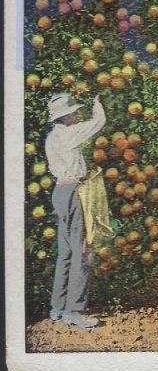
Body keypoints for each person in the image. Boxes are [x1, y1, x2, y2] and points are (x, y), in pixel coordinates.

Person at [44, 93, 106, 329]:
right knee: (83, 250)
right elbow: (98, 123)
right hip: (73, 193)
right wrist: (97, 104)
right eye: (75, 112)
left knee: (66, 252)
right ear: (66, 116)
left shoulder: (53, 136)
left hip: (61, 193)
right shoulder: (68, 135)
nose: (78, 115)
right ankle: (74, 311)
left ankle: (57, 308)